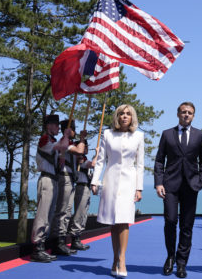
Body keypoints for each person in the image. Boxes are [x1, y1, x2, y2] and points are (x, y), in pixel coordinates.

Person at [154, 102, 202, 278]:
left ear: (193, 116)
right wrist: (158, 182)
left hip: (191, 186)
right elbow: (159, 160)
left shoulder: (200, 135)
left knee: (187, 226)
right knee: (170, 221)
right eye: (184, 112)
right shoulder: (167, 134)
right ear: (178, 114)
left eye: (190, 113)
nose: (186, 115)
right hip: (170, 185)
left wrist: (201, 180)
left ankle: (181, 263)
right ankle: (170, 257)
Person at [91, 104, 144, 278]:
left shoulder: (139, 136)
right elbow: (100, 161)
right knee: (113, 222)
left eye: (128, 114)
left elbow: (140, 164)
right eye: (121, 113)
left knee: (124, 220)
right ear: (117, 116)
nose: (124, 116)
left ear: (132, 117)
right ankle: (114, 259)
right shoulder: (107, 134)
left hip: (129, 181)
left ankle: (122, 260)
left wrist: (139, 188)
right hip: (111, 180)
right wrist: (95, 181)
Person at [30, 114, 70, 263]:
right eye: (56, 125)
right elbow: (63, 145)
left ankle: (42, 245)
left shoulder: (52, 141)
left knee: (49, 214)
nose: (59, 128)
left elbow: (61, 154)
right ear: (49, 126)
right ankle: (37, 247)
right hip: (47, 178)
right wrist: (66, 135)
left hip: (53, 179)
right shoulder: (45, 139)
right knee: (43, 214)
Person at [50, 119, 81, 256]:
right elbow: (80, 151)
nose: (75, 132)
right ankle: (57, 241)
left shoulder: (68, 141)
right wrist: (83, 139)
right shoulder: (65, 141)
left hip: (70, 177)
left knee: (67, 211)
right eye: (73, 129)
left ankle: (61, 240)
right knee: (62, 210)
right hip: (64, 176)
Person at [67, 128, 98, 251]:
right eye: (85, 146)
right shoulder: (80, 158)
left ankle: (78, 236)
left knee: (83, 213)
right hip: (81, 185)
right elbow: (93, 164)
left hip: (85, 186)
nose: (86, 149)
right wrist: (97, 154)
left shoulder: (82, 158)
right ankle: (75, 237)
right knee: (79, 212)